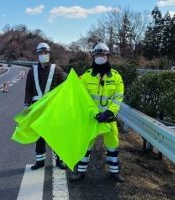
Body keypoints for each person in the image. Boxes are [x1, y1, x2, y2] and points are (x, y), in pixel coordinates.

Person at [69, 43, 125, 182]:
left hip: (109, 119)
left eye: (103, 55)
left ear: (108, 56)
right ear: (93, 56)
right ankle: (80, 172)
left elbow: (118, 97)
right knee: (85, 146)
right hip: (91, 118)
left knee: (112, 146)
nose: (100, 57)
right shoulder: (86, 76)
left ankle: (114, 172)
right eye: (98, 55)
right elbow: (82, 98)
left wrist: (109, 112)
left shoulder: (116, 77)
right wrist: (94, 113)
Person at [24, 42, 67, 170]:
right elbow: (28, 89)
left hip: (53, 108)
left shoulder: (57, 70)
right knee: (40, 135)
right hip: (37, 108)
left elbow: (63, 89)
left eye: (45, 53)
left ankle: (60, 160)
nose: (43, 55)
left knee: (57, 134)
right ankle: (40, 161)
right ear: (37, 55)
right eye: (41, 53)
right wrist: (26, 104)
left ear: (49, 54)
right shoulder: (32, 71)